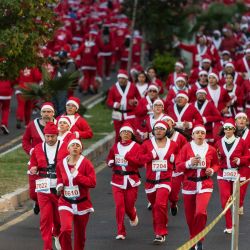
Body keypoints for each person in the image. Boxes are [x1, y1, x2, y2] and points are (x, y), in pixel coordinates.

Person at [126, 121, 178, 244]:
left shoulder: (174, 145)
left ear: (166, 131)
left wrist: (175, 159)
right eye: (157, 129)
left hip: (165, 180)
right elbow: (138, 161)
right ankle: (162, 223)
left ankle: (160, 233)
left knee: (160, 205)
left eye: (161, 129)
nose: (159, 131)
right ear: (153, 131)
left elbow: (180, 159)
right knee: (156, 207)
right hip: (150, 182)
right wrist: (150, 155)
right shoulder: (146, 144)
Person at [176, 125, 219, 250]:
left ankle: (199, 239)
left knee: (200, 212)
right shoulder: (186, 148)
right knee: (190, 217)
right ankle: (193, 237)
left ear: (205, 135)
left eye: (202, 133)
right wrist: (189, 163)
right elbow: (178, 166)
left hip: (205, 184)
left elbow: (216, 164)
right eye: (197, 133)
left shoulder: (211, 149)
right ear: (193, 135)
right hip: (189, 184)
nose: (200, 135)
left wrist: (212, 170)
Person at [29, 122, 68, 250]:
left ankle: (57, 234)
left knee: (58, 220)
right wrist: (33, 168)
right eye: (47, 136)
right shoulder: (38, 148)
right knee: (45, 219)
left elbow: (73, 162)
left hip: (59, 188)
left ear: (57, 135)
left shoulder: (65, 147)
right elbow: (32, 164)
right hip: (43, 187)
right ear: (44, 136)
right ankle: (47, 247)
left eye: (52, 136)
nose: (50, 139)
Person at [56, 139, 96, 250]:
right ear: (68, 149)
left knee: (80, 235)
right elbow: (59, 177)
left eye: (77, 146)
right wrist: (59, 185)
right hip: (65, 201)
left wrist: (77, 175)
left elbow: (92, 183)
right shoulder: (61, 163)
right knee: (65, 229)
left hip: (82, 203)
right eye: (72, 145)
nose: (75, 147)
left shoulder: (86, 163)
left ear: (81, 149)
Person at [106, 123, 141, 240]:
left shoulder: (136, 146)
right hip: (117, 180)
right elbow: (110, 157)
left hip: (131, 180)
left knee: (129, 206)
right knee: (119, 206)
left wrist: (129, 158)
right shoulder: (115, 146)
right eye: (123, 132)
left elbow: (140, 163)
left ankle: (133, 215)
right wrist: (110, 162)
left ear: (131, 134)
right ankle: (121, 231)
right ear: (120, 134)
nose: (125, 134)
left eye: (128, 132)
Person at [215, 119, 249, 233]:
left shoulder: (241, 142)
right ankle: (229, 226)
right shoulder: (218, 142)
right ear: (223, 130)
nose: (228, 130)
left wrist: (240, 160)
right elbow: (215, 157)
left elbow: (248, 156)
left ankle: (235, 219)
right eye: (226, 128)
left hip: (237, 173)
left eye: (230, 128)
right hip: (223, 174)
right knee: (225, 200)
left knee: (236, 201)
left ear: (234, 129)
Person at [23, 102, 55, 214]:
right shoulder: (33, 125)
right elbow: (25, 141)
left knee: (51, 191)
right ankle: (37, 201)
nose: (46, 114)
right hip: (35, 161)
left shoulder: (58, 125)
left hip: (52, 163)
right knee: (33, 192)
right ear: (41, 113)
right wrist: (31, 151)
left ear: (53, 113)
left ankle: (49, 212)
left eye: (49, 112)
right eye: (44, 112)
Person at [106, 69, 141, 142]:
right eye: (119, 78)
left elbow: (139, 99)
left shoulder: (133, 87)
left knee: (130, 133)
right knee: (118, 134)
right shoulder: (113, 88)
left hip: (130, 114)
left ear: (126, 79)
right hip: (118, 115)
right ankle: (117, 151)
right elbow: (109, 101)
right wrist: (115, 104)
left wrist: (135, 102)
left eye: (122, 78)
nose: (121, 80)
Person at [235, 112, 250, 215]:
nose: (242, 120)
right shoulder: (230, 132)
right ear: (235, 122)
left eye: (244, 118)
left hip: (246, 164)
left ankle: (239, 205)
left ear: (247, 121)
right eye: (239, 118)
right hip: (231, 165)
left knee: (242, 187)